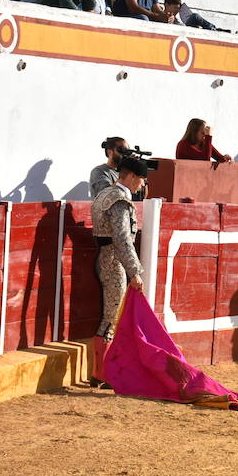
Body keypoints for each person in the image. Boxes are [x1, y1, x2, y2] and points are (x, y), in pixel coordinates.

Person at [89, 152, 149, 374]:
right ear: (132, 176)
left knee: (111, 316)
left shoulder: (104, 193)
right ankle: (101, 373)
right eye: (142, 179)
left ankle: (103, 371)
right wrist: (134, 272)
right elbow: (122, 238)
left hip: (106, 257)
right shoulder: (120, 200)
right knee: (111, 318)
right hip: (114, 262)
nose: (142, 185)